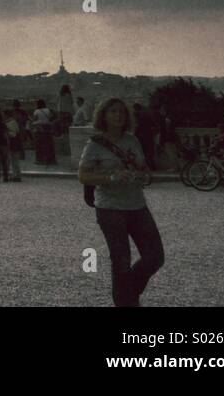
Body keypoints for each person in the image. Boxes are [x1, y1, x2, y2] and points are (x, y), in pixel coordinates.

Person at [78, 98, 164, 307]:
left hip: (136, 204)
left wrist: (142, 176)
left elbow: (143, 168)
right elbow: (83, 176)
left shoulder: (132, 140)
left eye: (121, 112)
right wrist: (111, 178)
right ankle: (126, 302)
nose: (118, 116)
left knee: (155, 256)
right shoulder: (95, 145)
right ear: (104, 116)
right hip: (110, 208)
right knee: (121, 261)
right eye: (113, 112)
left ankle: (126, 293)